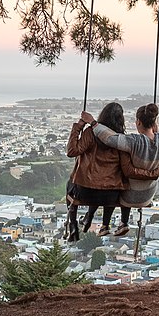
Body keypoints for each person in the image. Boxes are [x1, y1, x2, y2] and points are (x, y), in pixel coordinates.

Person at [86, 103, 159, 237]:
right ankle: (122, 223)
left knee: (112, 185)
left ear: (138, 122)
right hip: (148, 196)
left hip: (128, 197)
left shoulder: (134, 142)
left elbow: (110, 139)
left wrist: (93, 123)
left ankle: (102, 223)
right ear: (154, 122)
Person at [65, 102, 126, 240]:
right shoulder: (121, 138)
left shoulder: (91, 133)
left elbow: (72, 151)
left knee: (71, 184)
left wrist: (78, 127)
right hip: (111, 196)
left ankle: (73, 224)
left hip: (86, 192)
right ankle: (92, 217)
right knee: (105, 185)